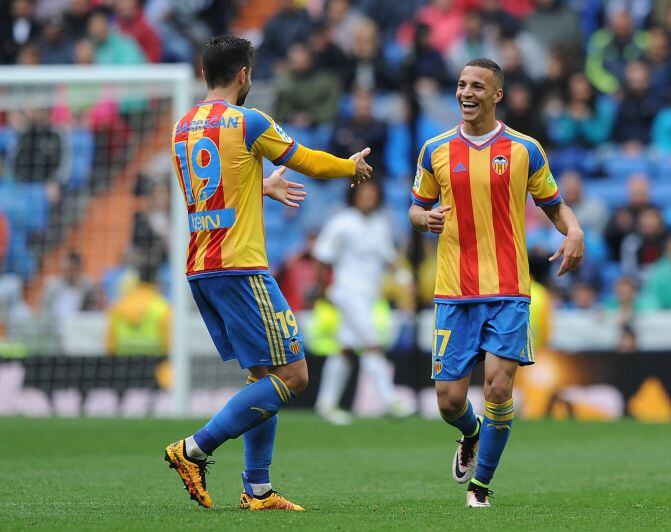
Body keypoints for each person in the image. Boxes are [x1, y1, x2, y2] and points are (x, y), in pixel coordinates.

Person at [163, 36, 372, 512]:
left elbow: (214, 193)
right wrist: (349, 166)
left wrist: (260, 187)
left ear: (203, 74)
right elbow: (305, 160)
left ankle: (257, 489)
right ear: (243, 75)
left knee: (264, 375)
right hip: (241, 267)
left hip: (202, 267)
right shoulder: (247, 120)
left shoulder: (182, 127)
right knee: (295, 376)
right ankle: (193, 450)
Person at [408, 58, 584, 508]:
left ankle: (480, 488)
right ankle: (471, 434)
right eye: (462, 85)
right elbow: (415, 206)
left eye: (478, 86)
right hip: (454, 290)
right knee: (449, 401)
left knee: (499, 390)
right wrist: (423, 218)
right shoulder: (435, 149)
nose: (466, 93)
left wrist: (575, 231)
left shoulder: (525, 149)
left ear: (496, 95)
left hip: (509, 289)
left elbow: (554, 205)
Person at [313, 180, 412, 425]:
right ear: (354, 196)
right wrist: (324, 290)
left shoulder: (380, 223)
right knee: (372, 343)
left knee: (345, 349)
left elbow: (388, 257)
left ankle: (326, 404)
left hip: (369, 296)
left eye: (372, 194)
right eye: (363, 194)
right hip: (347, 293)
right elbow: (322, 257)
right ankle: (391, 401)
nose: (368, 199)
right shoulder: (342, 222)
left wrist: (404, 278)